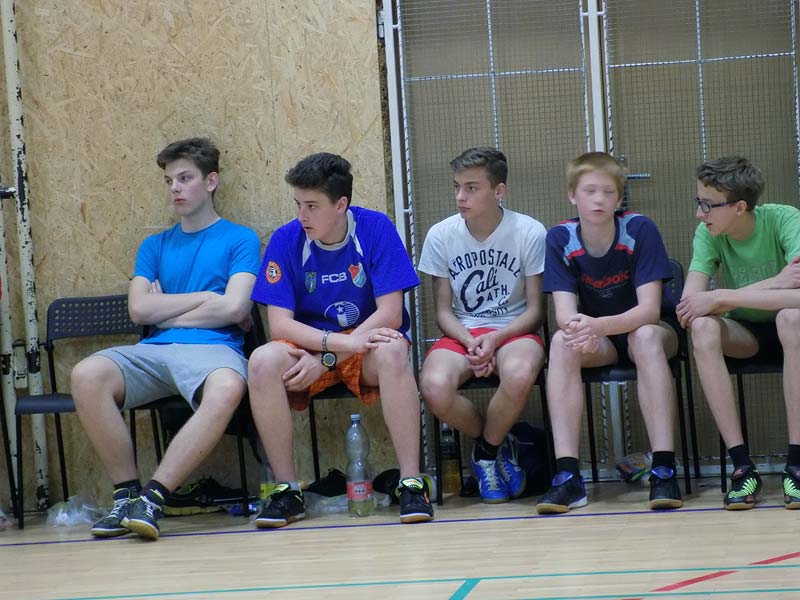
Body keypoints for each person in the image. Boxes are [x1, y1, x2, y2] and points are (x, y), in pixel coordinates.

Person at [71, 137, 261, 540]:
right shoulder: (153, 245)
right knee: (87, 374)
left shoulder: (240, 239)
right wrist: (206, 297)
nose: (175, 188)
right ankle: (125, 497)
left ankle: (152, 499)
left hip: (215, 350)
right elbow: (139, 310)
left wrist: (168, 308)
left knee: (228, 386)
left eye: (185, 178)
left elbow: (234, 308)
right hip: (155, 350)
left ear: (211, 181)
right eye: (169, 180)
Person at [247, 152, 433, 528]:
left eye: (312, 206)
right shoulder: (286, 239)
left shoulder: (375, 228)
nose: (302, 216)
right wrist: (336, 347)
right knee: (262, 361)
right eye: (298, 205)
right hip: (313, 347)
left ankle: (412, 483)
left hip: (361, 346)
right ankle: (286, 491)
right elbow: (279, 326)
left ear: (341, 204)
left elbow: (390, 315)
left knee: (394, 351)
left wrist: (329, 358)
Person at [537, 151, 683, 514]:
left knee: (644, 337)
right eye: (590, 191)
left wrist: (597, 325)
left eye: (608, 192)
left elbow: (649, 310)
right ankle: (568, 477)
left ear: (619, 199)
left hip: (650, 332)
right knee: (561, 342)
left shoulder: (640, 229)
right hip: (597, 338)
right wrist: (582, 331)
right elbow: (565, 314)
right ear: (572, 195)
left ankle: (663, 469)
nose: (599, 199)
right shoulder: (559, 237)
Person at [417, 147, 547, 503]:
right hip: (463, 332)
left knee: (519, 374)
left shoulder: (530, 231)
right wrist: (472, 342)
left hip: (514, 329)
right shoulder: (441, 235)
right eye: (457, 186)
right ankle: (497, 443)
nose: (460, 196)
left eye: (471, 187)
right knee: (433, 387)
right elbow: (442, 313)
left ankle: (485, 454)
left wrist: (496, 339)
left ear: (499, 190)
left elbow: (537, 311)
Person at [677, 156, 800, 510]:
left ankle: (796, 464)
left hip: (791, 330)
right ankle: (743, 467)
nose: (699, 214)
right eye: (698, 202)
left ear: (740, 207)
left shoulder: (785, 219)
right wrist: (774, 283)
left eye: (708, 205)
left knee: (792, 317)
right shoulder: (708, 233)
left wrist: (720, 297)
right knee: (702, 327)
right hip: (746, 336)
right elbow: (688, 307)